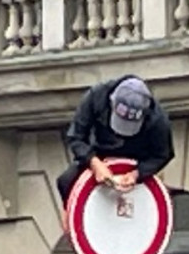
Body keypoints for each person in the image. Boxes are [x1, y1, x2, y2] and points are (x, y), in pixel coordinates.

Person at [57, 76, 174, 204]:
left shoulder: (159, 120)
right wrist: (94, 162)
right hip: (99, 153)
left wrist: (138, 173)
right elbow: (75, 136)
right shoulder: (96, 96)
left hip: (137, 159)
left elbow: (163, 154)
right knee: (65, 181)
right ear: (112, 102)